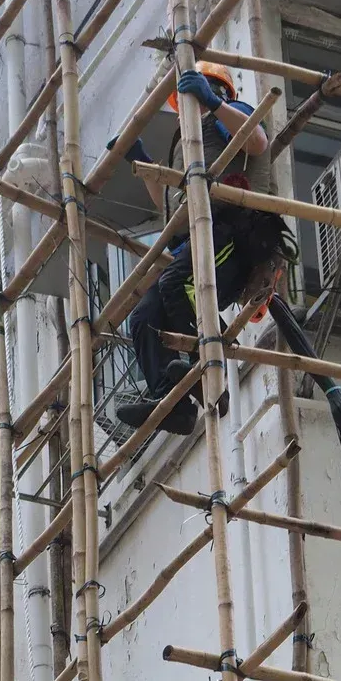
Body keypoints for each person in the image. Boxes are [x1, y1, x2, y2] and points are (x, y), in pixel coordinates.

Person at [116, 64, 297, 436]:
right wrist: (142, 160)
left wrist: (213, 102)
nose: (186, 108)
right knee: (143, 315)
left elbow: (257, 142)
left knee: (175, 283)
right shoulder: (187, 144)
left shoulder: (231, 115)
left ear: (217, 90)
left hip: (236, 235)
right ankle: (173, 404)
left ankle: (206, 371)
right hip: (199, 237)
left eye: (190, 98)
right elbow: (170, 202)